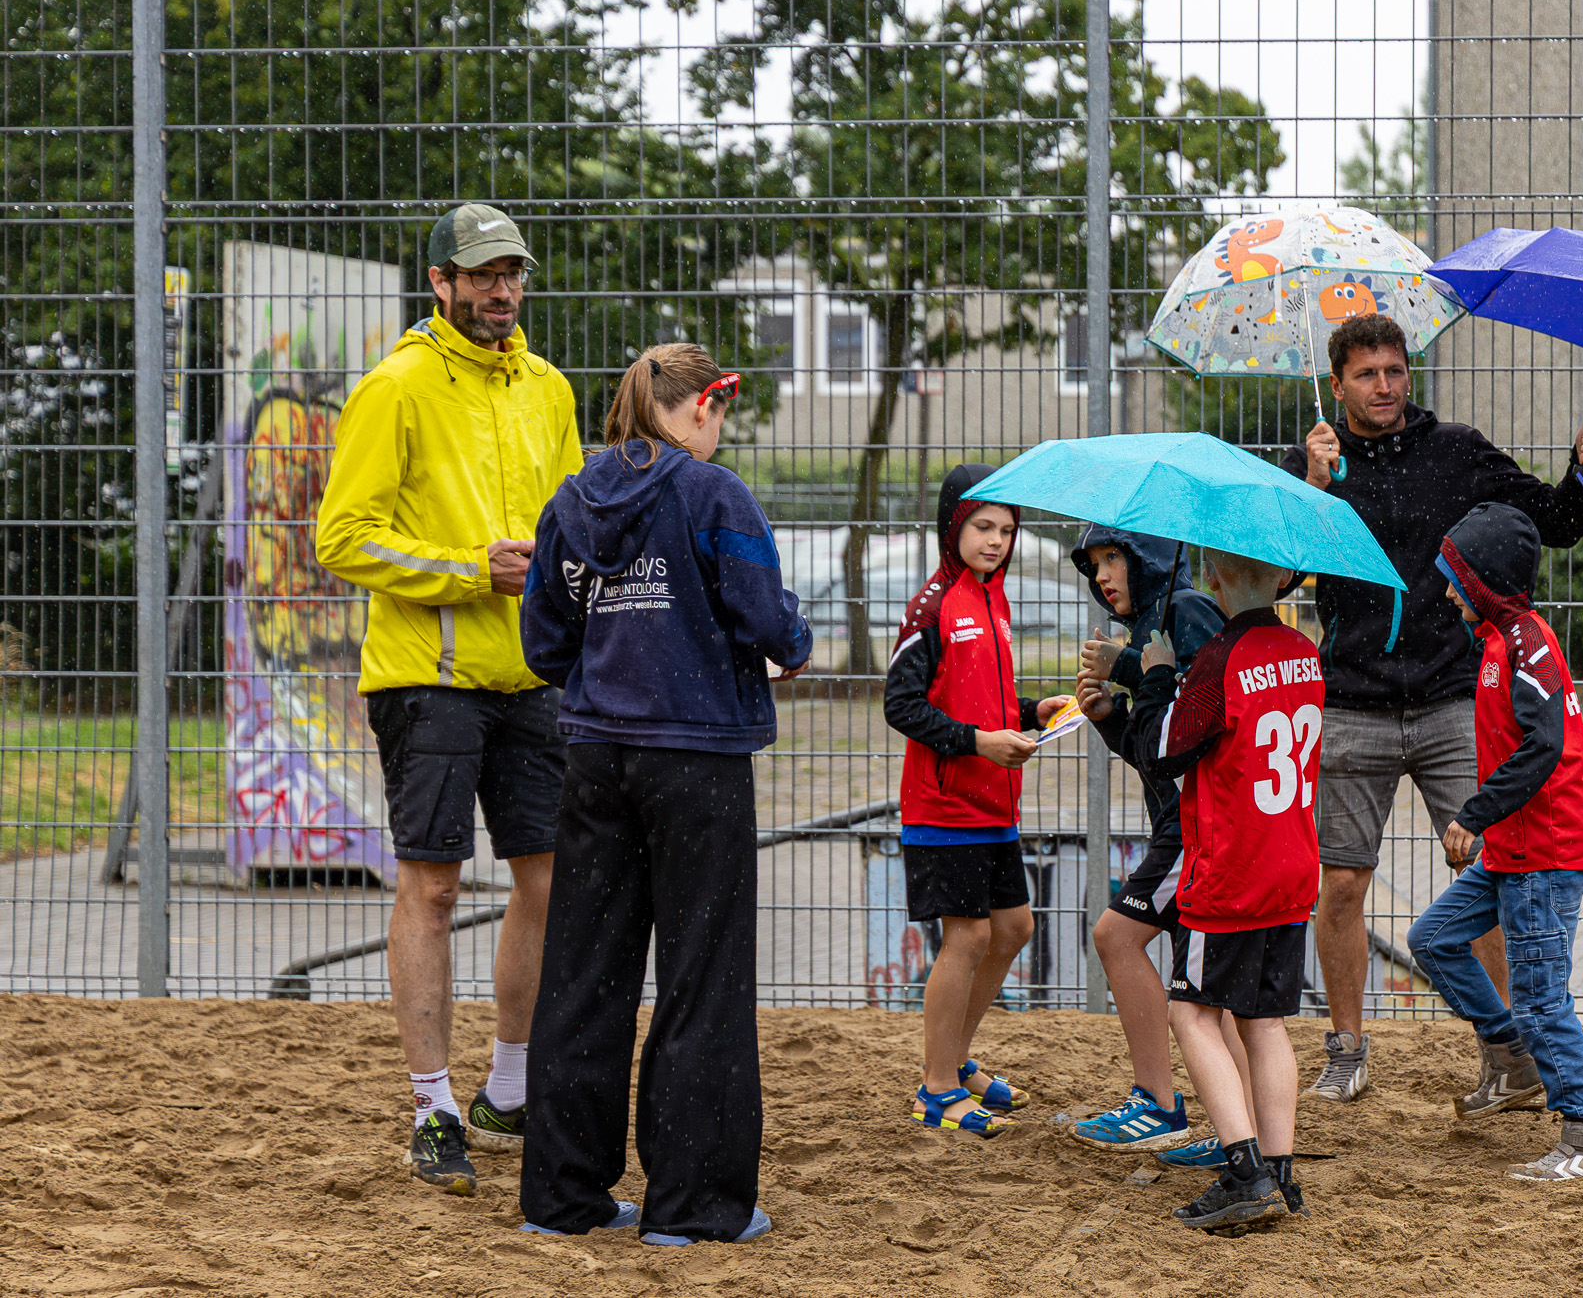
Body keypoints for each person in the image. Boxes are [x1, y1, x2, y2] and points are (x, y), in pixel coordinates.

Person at [515, 344, 812, 1243]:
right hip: (696, 755)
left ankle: (563, 1198)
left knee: (582, 972)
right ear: (700, 407)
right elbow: (766, 618)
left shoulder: (571, 501)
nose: (719, 431)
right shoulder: (714, 494)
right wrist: (792, 641)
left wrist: (610, 672)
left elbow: (543, 641)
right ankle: (690, 1204)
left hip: (596, 753)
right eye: (720, 413)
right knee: (702, 974)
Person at [315, 203, 582, 1195]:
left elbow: (569, 525)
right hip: (425, 677)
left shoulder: (547, 387)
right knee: (431, 888)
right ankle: (432, 1108)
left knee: (549, 881)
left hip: (530, 676)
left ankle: (507, 1090)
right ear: (440, 282)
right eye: (481, 275)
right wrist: (474, 570)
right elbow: (343, 537)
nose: (500, 290)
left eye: (511, 273)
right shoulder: (395, 386)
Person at [1280, 312, 1583, 1102]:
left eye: (1395, 370)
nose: (1385, 386)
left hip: (1452, 699)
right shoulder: (1313, 461)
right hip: (1352, 700)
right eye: (1367, 374)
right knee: (1342, 883)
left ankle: (1511, 1053)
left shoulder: (1457, 448)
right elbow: (1275, 576)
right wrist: (1310, 488)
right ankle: (1347, 1050)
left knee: (1489, 872)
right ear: (1338, 385)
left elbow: (1557, 523)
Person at [1404, 503, 1583, 1181]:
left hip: (1546, 852)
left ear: (1486, 579)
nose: (1446, 591)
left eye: (1456, 577)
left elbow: (1543, 746)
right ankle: (1511, 1056)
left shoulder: (1526, 644)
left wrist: (1474, 815)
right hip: (1514, 849)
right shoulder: (1501, 638)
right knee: (1434, 939)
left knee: (1541, 998)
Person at [1127, 548, 1324, 1231]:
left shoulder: (1219, 659)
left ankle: (1243, 1170)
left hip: (1232, 873)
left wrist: (1157, 677)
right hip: (1290, 866)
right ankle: (1279, 1167)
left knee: (1192, 1013)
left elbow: (1163, 752)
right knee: (1264, 1021)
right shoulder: (1305, 651)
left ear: (1212, 579)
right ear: (1284, 578)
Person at [886, 464, 1072, 1138]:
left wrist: (1030, 710)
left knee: (1013, 928)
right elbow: (901, 705)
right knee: (966, 936)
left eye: (1008, 530)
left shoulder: (995, 599)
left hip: (995, 805)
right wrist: (977, 744)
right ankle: (936, 1089)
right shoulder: (931, 605)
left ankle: (955, 1059)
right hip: (944, 808)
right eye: (983, 527)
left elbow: (978, 697)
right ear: (952, 526)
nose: (996, 541)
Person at [1064, 527, 1226, 1154]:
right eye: (1094, 564)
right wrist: (1110, 718)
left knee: (1119, 938)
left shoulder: (1187, 610)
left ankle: (1163, 1104)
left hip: (1195, 826)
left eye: (1114, 558)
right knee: (1210, 996)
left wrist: (1129, 668)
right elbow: (1155, 750)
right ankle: (1229, 1129)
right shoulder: (1151, 622)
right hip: (1180, 824)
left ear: (1150, 558)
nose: (1103, 576)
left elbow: (1206, 714)